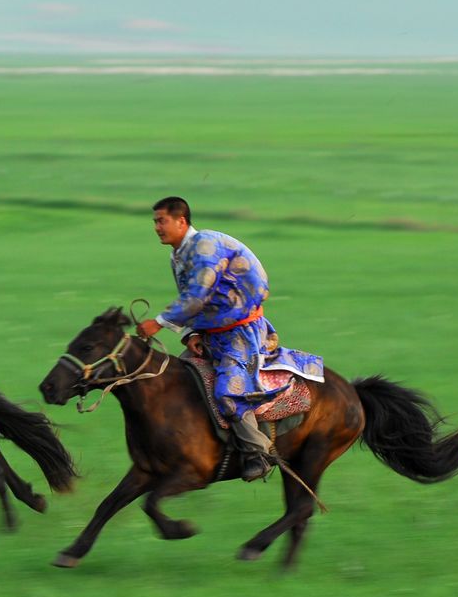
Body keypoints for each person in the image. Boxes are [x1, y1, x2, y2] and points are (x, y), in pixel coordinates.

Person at [135, 196, 324, 481]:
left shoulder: (205, 246)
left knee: (228, 393)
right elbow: (191, 297)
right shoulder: (177, 255)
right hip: (212, 332)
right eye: (155, 222)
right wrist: (191, 334)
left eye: (161, 221)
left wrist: (159, 323)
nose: (157, 227)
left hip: (241, 333)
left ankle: (258, 453)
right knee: (179, 379)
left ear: (181, 221)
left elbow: (198, 296)